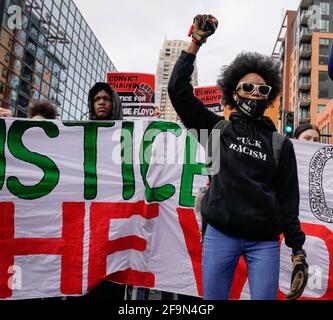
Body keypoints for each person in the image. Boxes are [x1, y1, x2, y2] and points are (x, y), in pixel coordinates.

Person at [168, 14, 308, 300]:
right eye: (247, 87)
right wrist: (195, 42)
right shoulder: (217, 129)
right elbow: (177, 91)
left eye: (262, 90)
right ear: (234, 92)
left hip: (264, 243)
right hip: (220, 234)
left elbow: (288, 203)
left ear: (269, 98)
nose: (254, 94)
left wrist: (297, 251)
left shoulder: (281, 144)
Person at [83, 82, 125, 300]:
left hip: (115, 216)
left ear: (114, 103)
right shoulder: (78, 133)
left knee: (112, 280)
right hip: (87, 218)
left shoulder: (126, 136)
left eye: (106, 99)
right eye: (97, 99)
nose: (101, 102)